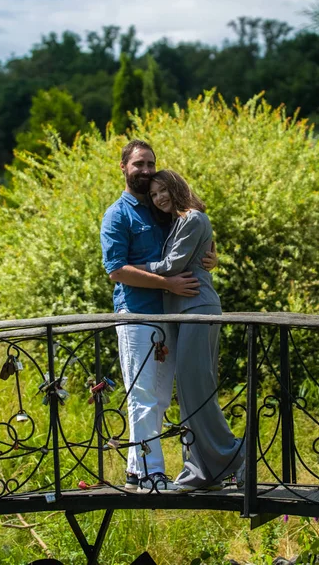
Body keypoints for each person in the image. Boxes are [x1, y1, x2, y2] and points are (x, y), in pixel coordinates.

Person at [100, 140, 216, 493]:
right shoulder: (116, 215)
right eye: (139, 164)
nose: (146, 170)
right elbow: (116, 270)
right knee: (144, 395)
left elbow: (194, 233)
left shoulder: (159, 208)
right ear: (123, 167)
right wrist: (166, 282)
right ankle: (151, 475)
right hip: (136, 315)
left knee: (161, 397)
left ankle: (138, 471)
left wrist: (212, 257)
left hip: (171, 317)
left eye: (151, 163)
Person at [134, 169, 245, 492]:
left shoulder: (193, 219)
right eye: (153, 195)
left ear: (176, 186)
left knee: (197, 390)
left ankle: (236, 455)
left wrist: (131, 270)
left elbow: (172, 265)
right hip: (182, 314)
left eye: (162, 190)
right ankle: (202, 470)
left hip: (198, 310)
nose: (159, 198)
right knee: (189, 393)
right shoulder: (180, 223)